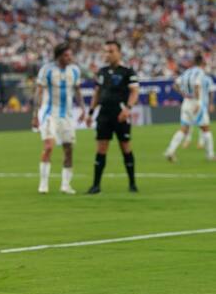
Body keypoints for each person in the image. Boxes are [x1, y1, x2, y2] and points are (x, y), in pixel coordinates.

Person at [85, 40, 139, 194]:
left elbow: (134, 92)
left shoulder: (128, 71)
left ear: (119, 53)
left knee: (125, 147)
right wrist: (90, 112)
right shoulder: (101, 72)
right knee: (101, 148)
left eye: (111, 51)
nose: (107, 54)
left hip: (121, 114)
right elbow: (97, 93)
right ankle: (96, 185)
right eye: (106, 51)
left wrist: (128, 109)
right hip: (104, 115)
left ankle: (132, 184)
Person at [32, 43, 85, 194]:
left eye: (71, 55)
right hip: (49, 113)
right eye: (67, 55)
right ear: (59, 56)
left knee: (68, 149)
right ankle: (43, 184)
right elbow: (39, 92)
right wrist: (35, 115)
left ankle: (66, 185)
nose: (70, 58)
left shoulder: (74, 70)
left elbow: (77, 91)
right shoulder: (47, 70)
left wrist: (83, 110)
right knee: (49, 146)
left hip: (67, 115)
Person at [164, 54, 214, 161]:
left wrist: (183, 94)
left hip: (186, 102)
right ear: (202, 62)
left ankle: (170, 151)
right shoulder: (200, 72)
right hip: (195, 102)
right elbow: (197, 85)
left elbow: (175, 84)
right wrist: (199, 102)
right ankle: (210, 155)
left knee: (184, 129)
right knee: (205, 129)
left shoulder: (187, 72)